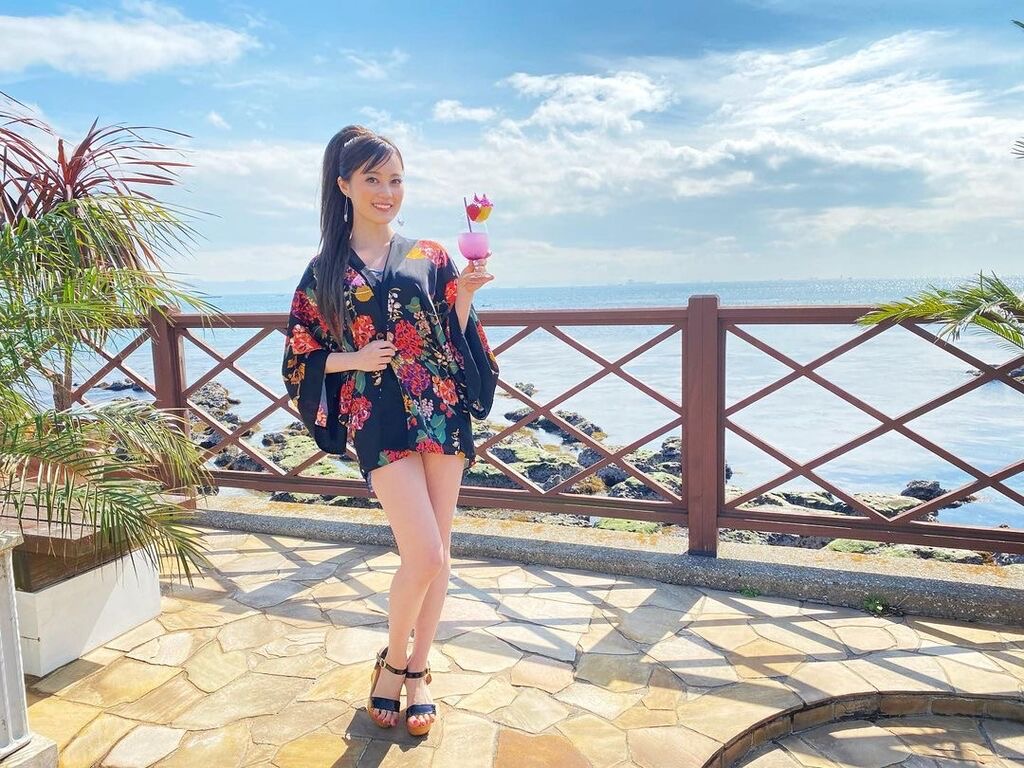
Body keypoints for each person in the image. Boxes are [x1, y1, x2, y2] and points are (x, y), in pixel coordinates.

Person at [281, 124, 498, 737]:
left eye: (396, 179)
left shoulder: (429, 255)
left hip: (440, 408)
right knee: (422, 552)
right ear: (344, 185)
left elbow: (452, 334)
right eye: (372, 179)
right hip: (377, 415)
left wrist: (465, 295)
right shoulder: (325, 270)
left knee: (438, 553)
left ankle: (418, 669)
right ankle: (394, 661)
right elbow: (299, 354)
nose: (386, 191)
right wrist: (353, 359)